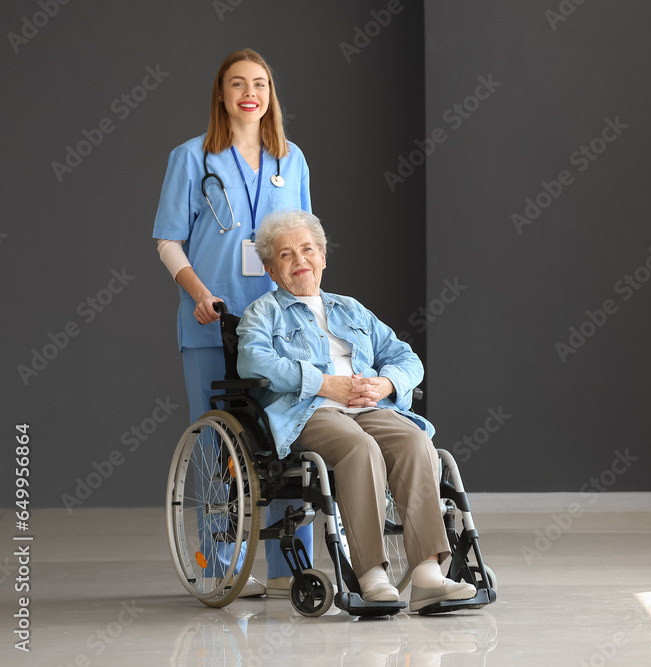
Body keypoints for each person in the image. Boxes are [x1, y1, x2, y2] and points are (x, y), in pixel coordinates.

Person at [235, 209, 477, 611]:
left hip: (368, 407)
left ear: (324, 257)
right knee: (358, 448)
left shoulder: (350, 309)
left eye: (308, 250)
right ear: (270, 270)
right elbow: (253, 363)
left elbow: (406, 357)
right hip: (310, 411)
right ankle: (371, 575)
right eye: (286, 255)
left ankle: (427, 575)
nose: (300, 261)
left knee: (416, 441)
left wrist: (386, 383)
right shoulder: (264, 312)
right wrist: (325, 383)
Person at [152, 49, 313, 597]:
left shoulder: (291, 160)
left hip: (279, 326)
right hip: (212, 321)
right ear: (220, 94)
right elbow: (168, 242)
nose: (250, 93)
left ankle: (291, 567)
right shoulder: (192, 158)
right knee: (220, 446)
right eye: (238, 83)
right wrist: (198, 293)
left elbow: (305, 240)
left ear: (270, 94)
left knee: (288, 438)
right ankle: (223, 563)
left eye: (261, 84)